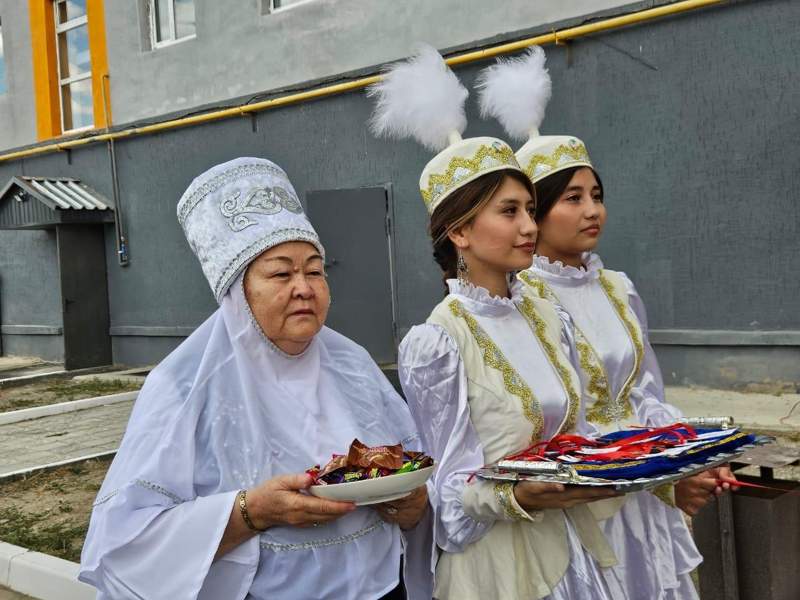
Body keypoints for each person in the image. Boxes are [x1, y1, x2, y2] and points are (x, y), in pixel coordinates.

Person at [78, 157, 431, 600]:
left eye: (315, 270)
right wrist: (251, 511)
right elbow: (126, 540)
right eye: (281, 273)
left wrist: (414, 504)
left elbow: (412, 468)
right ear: (237, 295)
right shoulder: (184, 387)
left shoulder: (353, 365)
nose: (304, 287)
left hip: (383, 587)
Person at [371, 45, 641, 600]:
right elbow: (445, 499)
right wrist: (517, 496)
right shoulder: (437, 343)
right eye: (509, 211)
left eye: (529, 209)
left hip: (575, 548)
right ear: (460, 233)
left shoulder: (546, 313)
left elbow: (578, 430)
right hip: (501, 567)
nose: (529, 227)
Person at [478, 46, 738, 598]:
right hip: (585, 498)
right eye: (571, 197)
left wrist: (685, 460)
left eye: (596, 195)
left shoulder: (616, 286)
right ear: (536, 213)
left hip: (643, 487)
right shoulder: (525, 300)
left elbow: (646, 393)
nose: (592, 209)